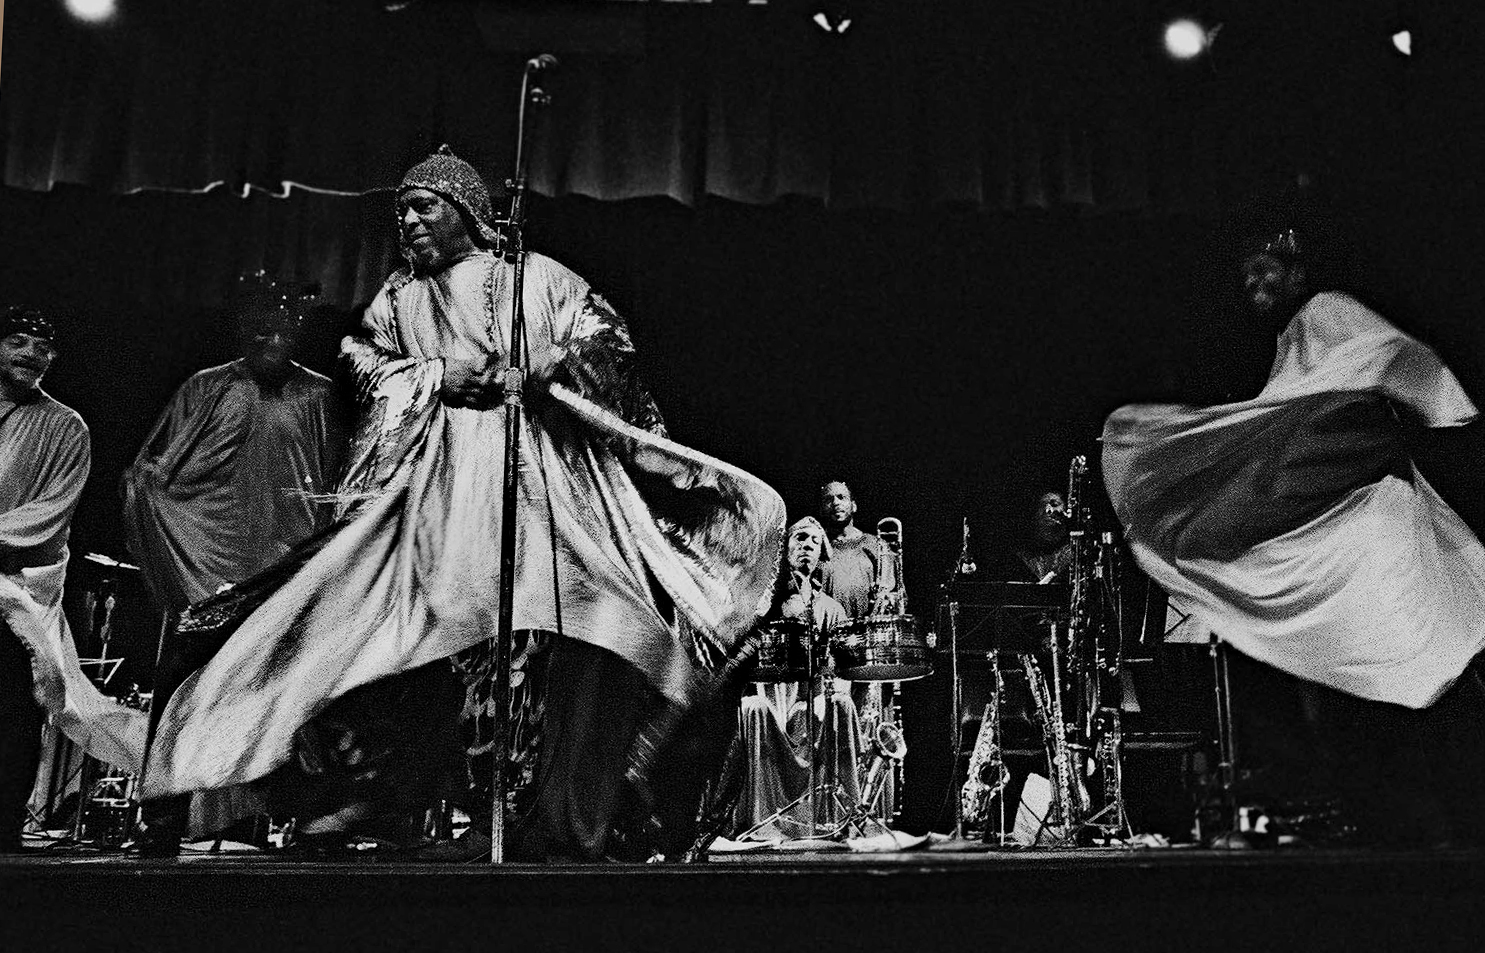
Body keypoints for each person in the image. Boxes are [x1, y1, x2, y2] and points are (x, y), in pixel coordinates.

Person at [134, 146, 784, 861]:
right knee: (328, 631)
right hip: (429, 502)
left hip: (542, 500)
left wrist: (560, 362)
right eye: (401, 210)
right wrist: (437, 374)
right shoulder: (398, 298)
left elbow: (608, 342)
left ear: (468, 211)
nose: (408, 221)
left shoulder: (538, 278)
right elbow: (364, 361)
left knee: (589, 644)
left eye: (424, 206)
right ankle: (332, 794)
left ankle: (566, 806)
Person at [1103, 221, 1485, 846]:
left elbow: (1390, 360)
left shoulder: (1326, 312)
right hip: (1349, 527)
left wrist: (1443, 403)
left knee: (1401, 668)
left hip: (1376, 523)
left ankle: (1436, 828)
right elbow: (1290, 424)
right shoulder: (1294, 339)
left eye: (1266, 268)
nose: (1253, 282)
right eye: (1246, 274)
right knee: (1351, 684)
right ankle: (1402, 829)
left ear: (1298, 272)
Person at [1, 308, 143, 852]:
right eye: (18, 340)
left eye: (43, 347)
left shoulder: (65, 427)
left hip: (15, 591)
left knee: (13, 706)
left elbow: (48, 514)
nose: (32, 354)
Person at [122, 275, 346, 613]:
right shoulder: (206, 387)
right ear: (244, 331)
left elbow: (338, 478)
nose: (275, 343)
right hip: (215, 556)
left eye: (285, 334)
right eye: (264, 333)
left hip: (290, 551)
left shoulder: (319, 395)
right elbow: (157, 469)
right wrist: (146, 490)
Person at [731, 517, 862, 839]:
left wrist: (824, 695)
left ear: (821, 554)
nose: (807, 546)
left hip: (812, 699)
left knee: (840, 704)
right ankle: (760, 820)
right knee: (753, 707)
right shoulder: (764, 603)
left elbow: (841, 669)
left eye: (815, 542)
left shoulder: (831, 608)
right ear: (785, 547)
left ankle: (842, 817)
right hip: (769, 696)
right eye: (800, 538)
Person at [817, 481, 896, 618]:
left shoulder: (877, 545)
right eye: (828, 500)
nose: (835, 503)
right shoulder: (814, 548)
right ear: (821, 509)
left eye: (841, 497)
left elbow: (895, 593)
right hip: (828, 628)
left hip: (869, 627)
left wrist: (889, 598)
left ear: (854, 506)